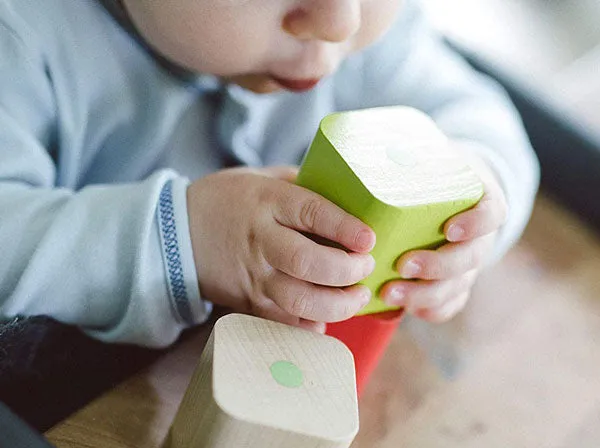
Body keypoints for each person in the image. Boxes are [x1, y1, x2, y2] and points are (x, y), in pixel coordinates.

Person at [0, 0, 539, 350]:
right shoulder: (19, 37)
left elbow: (477, 117)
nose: (340, 22)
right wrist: (185, 239)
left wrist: (470, 198)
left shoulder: (369, 36)